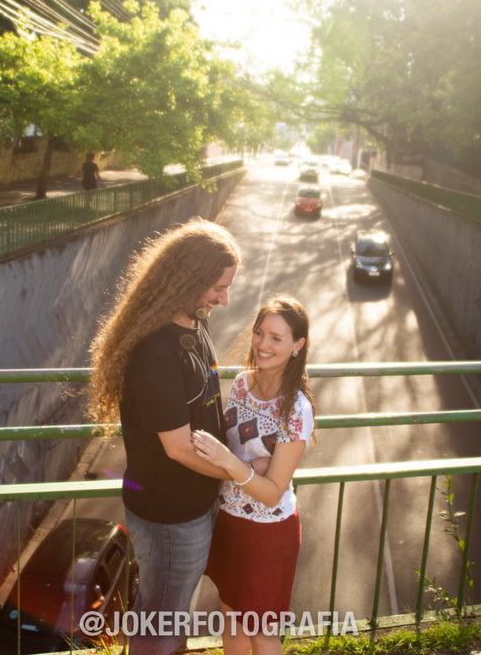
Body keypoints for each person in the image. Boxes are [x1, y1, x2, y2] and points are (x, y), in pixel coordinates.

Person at [87, 218, 242, 655]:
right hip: (171, 517)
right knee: (161, 622)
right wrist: (240, 474)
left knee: (172, 615)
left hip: (195, 503)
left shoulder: (194, 322)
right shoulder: (155, 351)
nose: (224, 299)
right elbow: (176, 447)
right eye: (217, 287)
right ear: (187, 278)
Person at [191, 295, 316, 655]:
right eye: (260, 333)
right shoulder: (244, 383)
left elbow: (273, 492)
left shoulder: (297, 408)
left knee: (261, 631)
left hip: (269, 531)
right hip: (230, 520)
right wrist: (253, 466)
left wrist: (235, 465)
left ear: (298, 345)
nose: (263, 344)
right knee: (230, 614)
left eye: (277, 338)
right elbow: (244, 454)